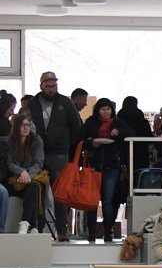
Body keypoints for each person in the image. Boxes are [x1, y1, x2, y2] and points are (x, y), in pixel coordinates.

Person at [27, 71, 81, 241]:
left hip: (59, 154)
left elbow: (76, 128)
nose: (51, 89)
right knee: (38, 192)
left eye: (54, 85)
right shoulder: (32, 104)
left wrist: (64, 144)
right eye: (48, 86)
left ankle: (62, 231)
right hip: (37, 154)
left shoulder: (65, 103)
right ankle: (39, 229)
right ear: (41, 86)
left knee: (60, 193)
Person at [79, 98, 132, 243]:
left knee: (108, 199)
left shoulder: (117, 122)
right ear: (98, 110)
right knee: (92, 200)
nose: (106, 112)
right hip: (93, 166)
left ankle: (108, 232)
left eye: (108, 109)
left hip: (112, 166)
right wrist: (91, 143)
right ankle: (91, 234)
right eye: (103, 109)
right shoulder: (91, 122)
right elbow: (81, 139)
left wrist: (119, 132)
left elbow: (130, 132)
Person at [5, 113, 46, 234]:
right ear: (16, 127)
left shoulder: (36, 140)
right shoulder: (8, 142)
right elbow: (9, 163)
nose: (26, 128)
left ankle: (25, 222)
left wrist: (27, 173)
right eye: (23, 125)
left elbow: (39, 163)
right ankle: (33, 226)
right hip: (13, 178)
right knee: (33, 187)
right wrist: (22, 171)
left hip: (31, 177)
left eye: (28, 125)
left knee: (34, 186)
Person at [117, 96, 154, 173]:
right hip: (141, 154)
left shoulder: (119, 119)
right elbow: (150, 137)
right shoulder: (142, 121)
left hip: (124, 153)